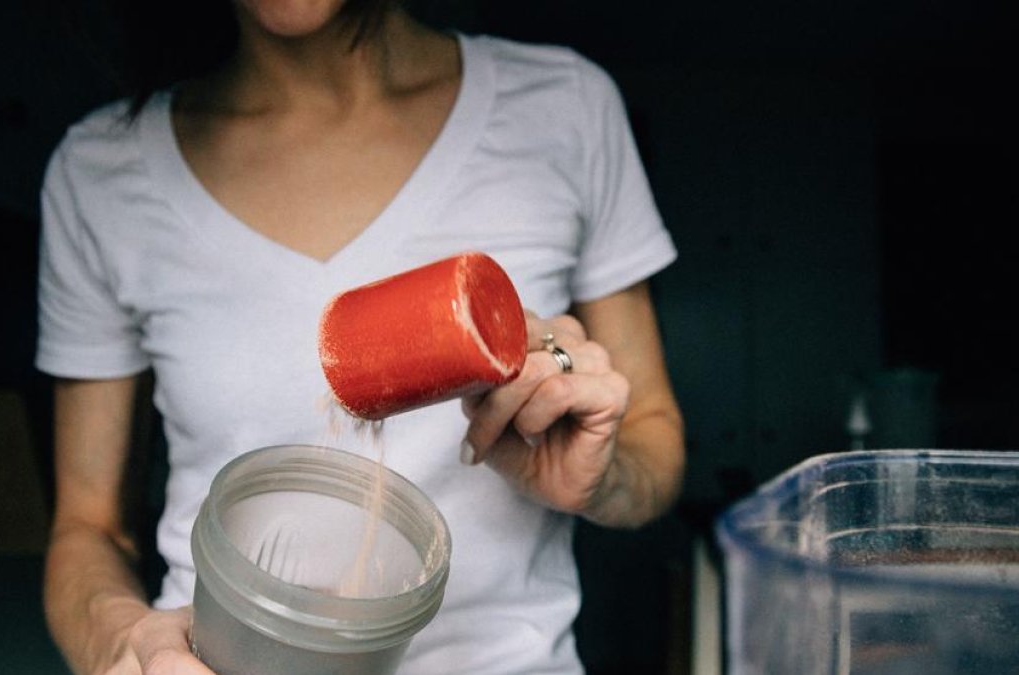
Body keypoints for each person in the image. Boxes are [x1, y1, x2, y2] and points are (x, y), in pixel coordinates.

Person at [37, 0, 685, 672]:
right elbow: (87, 528)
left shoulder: (566, 107)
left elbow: (655, 440)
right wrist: (122, 640)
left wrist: (599, 477)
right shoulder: (101, 171)